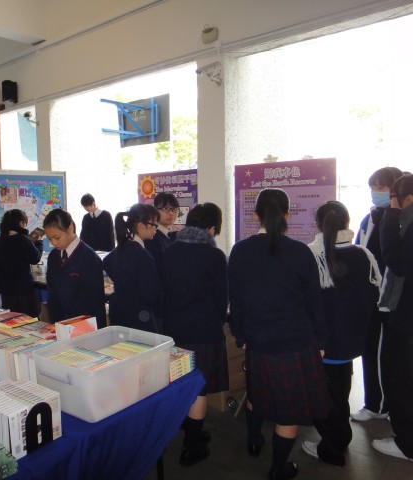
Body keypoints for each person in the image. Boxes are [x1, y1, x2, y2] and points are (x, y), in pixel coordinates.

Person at [228, 188, 328, 480]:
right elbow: (314, 302)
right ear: (287, 214)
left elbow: (236, 300)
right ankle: (277, 469)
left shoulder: (240, 251)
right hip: (295, 343)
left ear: (255, 215)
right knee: (289, 411)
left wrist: (240, 335)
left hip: (258, 342)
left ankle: (253, 441)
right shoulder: (300, 252)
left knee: (256, 394)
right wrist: (321, 340)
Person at [301, 201, 381, 466]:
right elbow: (373, 296)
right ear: (348, 223)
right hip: (352, 341)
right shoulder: (363, 255)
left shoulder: (312, 255)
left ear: (317, 225)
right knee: (339, 395)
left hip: (322, 344)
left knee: (325, 399)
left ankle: (333, 450)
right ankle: (339, 441)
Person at [161, 203, 228, 466]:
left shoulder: (170, 250)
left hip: (174, 330)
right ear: (211, 228)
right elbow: (221, 299)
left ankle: (188, 431)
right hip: (204, 331)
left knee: (180, 382)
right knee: (199, 388)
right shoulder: (214, 256)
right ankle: (192, 446)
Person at [351, 166, 403, 422]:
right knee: (370, 349)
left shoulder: (401, 219)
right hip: (370, 297)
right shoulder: (369, 218)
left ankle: (381, 406)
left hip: (390, 300)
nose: (375, 192)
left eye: (381, 187)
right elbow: (360, 250)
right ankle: (376, 403)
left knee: (384, 353)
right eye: (373, 187)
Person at [372, 174, 413, 461]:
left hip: (407, 316)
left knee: (401, 378)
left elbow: (396, 262)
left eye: (393, 198)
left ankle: (407, 444)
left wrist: (390, 217)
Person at [102, 203, 162, 333]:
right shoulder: (142, 255)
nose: (156, 229)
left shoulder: (122, 247)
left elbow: (106, 262)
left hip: (120, 313)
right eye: (154, 225)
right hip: (139, 317)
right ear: (140, 226)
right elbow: (151, 294)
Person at [42, 208, 106, 329]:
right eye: (49, 239)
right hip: (60, 326)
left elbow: (93, 303)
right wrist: (57, 324)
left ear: (70, 228)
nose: (53, 243)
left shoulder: (89, 258)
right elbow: (53, 295)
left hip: (85, 327)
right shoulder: (53, 256)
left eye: (57, 237)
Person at [0, 209, 44, 317]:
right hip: (23, 289)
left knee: (12, 320)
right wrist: (39, 243)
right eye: (24, 223)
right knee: (28, 320)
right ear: (20, 223)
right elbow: (35, 258)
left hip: (6, 290)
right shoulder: (23, 239)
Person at [144, 192, 180, 268]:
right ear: (155, 210)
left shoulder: (174, 235)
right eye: (166, 208)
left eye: (174, 209)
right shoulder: (152, 237)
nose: (171, 213)